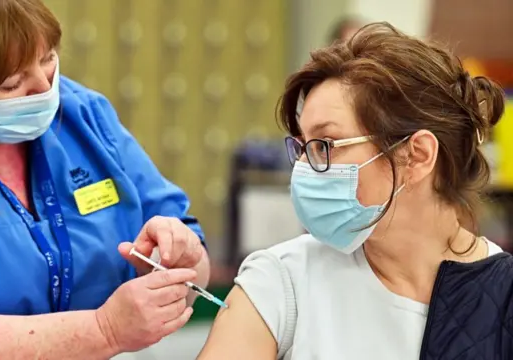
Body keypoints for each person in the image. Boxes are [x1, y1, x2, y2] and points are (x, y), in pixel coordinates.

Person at [0, 1, 210, 359]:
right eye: (11, 82)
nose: (44, 88)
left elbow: (189, 256)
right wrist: (104, 331)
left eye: (47, 58)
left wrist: (182, 262)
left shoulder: (83, 115)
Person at [198, 22, 513, 359]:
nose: (304, 167)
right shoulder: (281, 281)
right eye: (303, 147)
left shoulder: (502, 295)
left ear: (417, 155)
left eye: (326, 144)